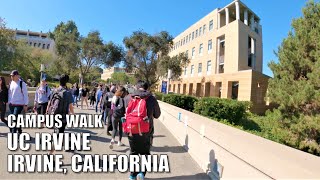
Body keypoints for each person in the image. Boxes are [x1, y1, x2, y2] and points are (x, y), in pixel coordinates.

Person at [126, 80, 161, 180]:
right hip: (147, 130)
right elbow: (157, 115)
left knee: (134, 152)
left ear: (136, 87)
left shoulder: (129, 97)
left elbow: (125, 113)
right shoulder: (151, 99)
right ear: (147, 88)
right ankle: (141, 173)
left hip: (131, 130)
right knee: (145, 152)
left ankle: (133, 175)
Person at [46, 74, 74, 158]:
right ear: (67, 82)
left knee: (59, 132)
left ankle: (66, 146)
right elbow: (70, 106)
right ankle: (49, 154)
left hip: (54, 115)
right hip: (62, 117)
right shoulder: (68, 93)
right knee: (58, 135)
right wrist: (73, 114)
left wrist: (47, 112)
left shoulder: (54, 90)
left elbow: (50, 102)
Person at [8, 70, 29, 134]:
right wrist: (9, 102)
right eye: (11, 76)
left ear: (17, 76)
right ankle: (19, 130)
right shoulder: (11, 83)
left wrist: (25, 105)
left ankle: (13, 134)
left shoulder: (22, 83)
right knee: (15, 119)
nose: (11, 77)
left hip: (19, 104)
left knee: (14, 118)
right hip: (12, 104)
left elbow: (25, 94)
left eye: (13, 76)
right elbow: (10, 93)